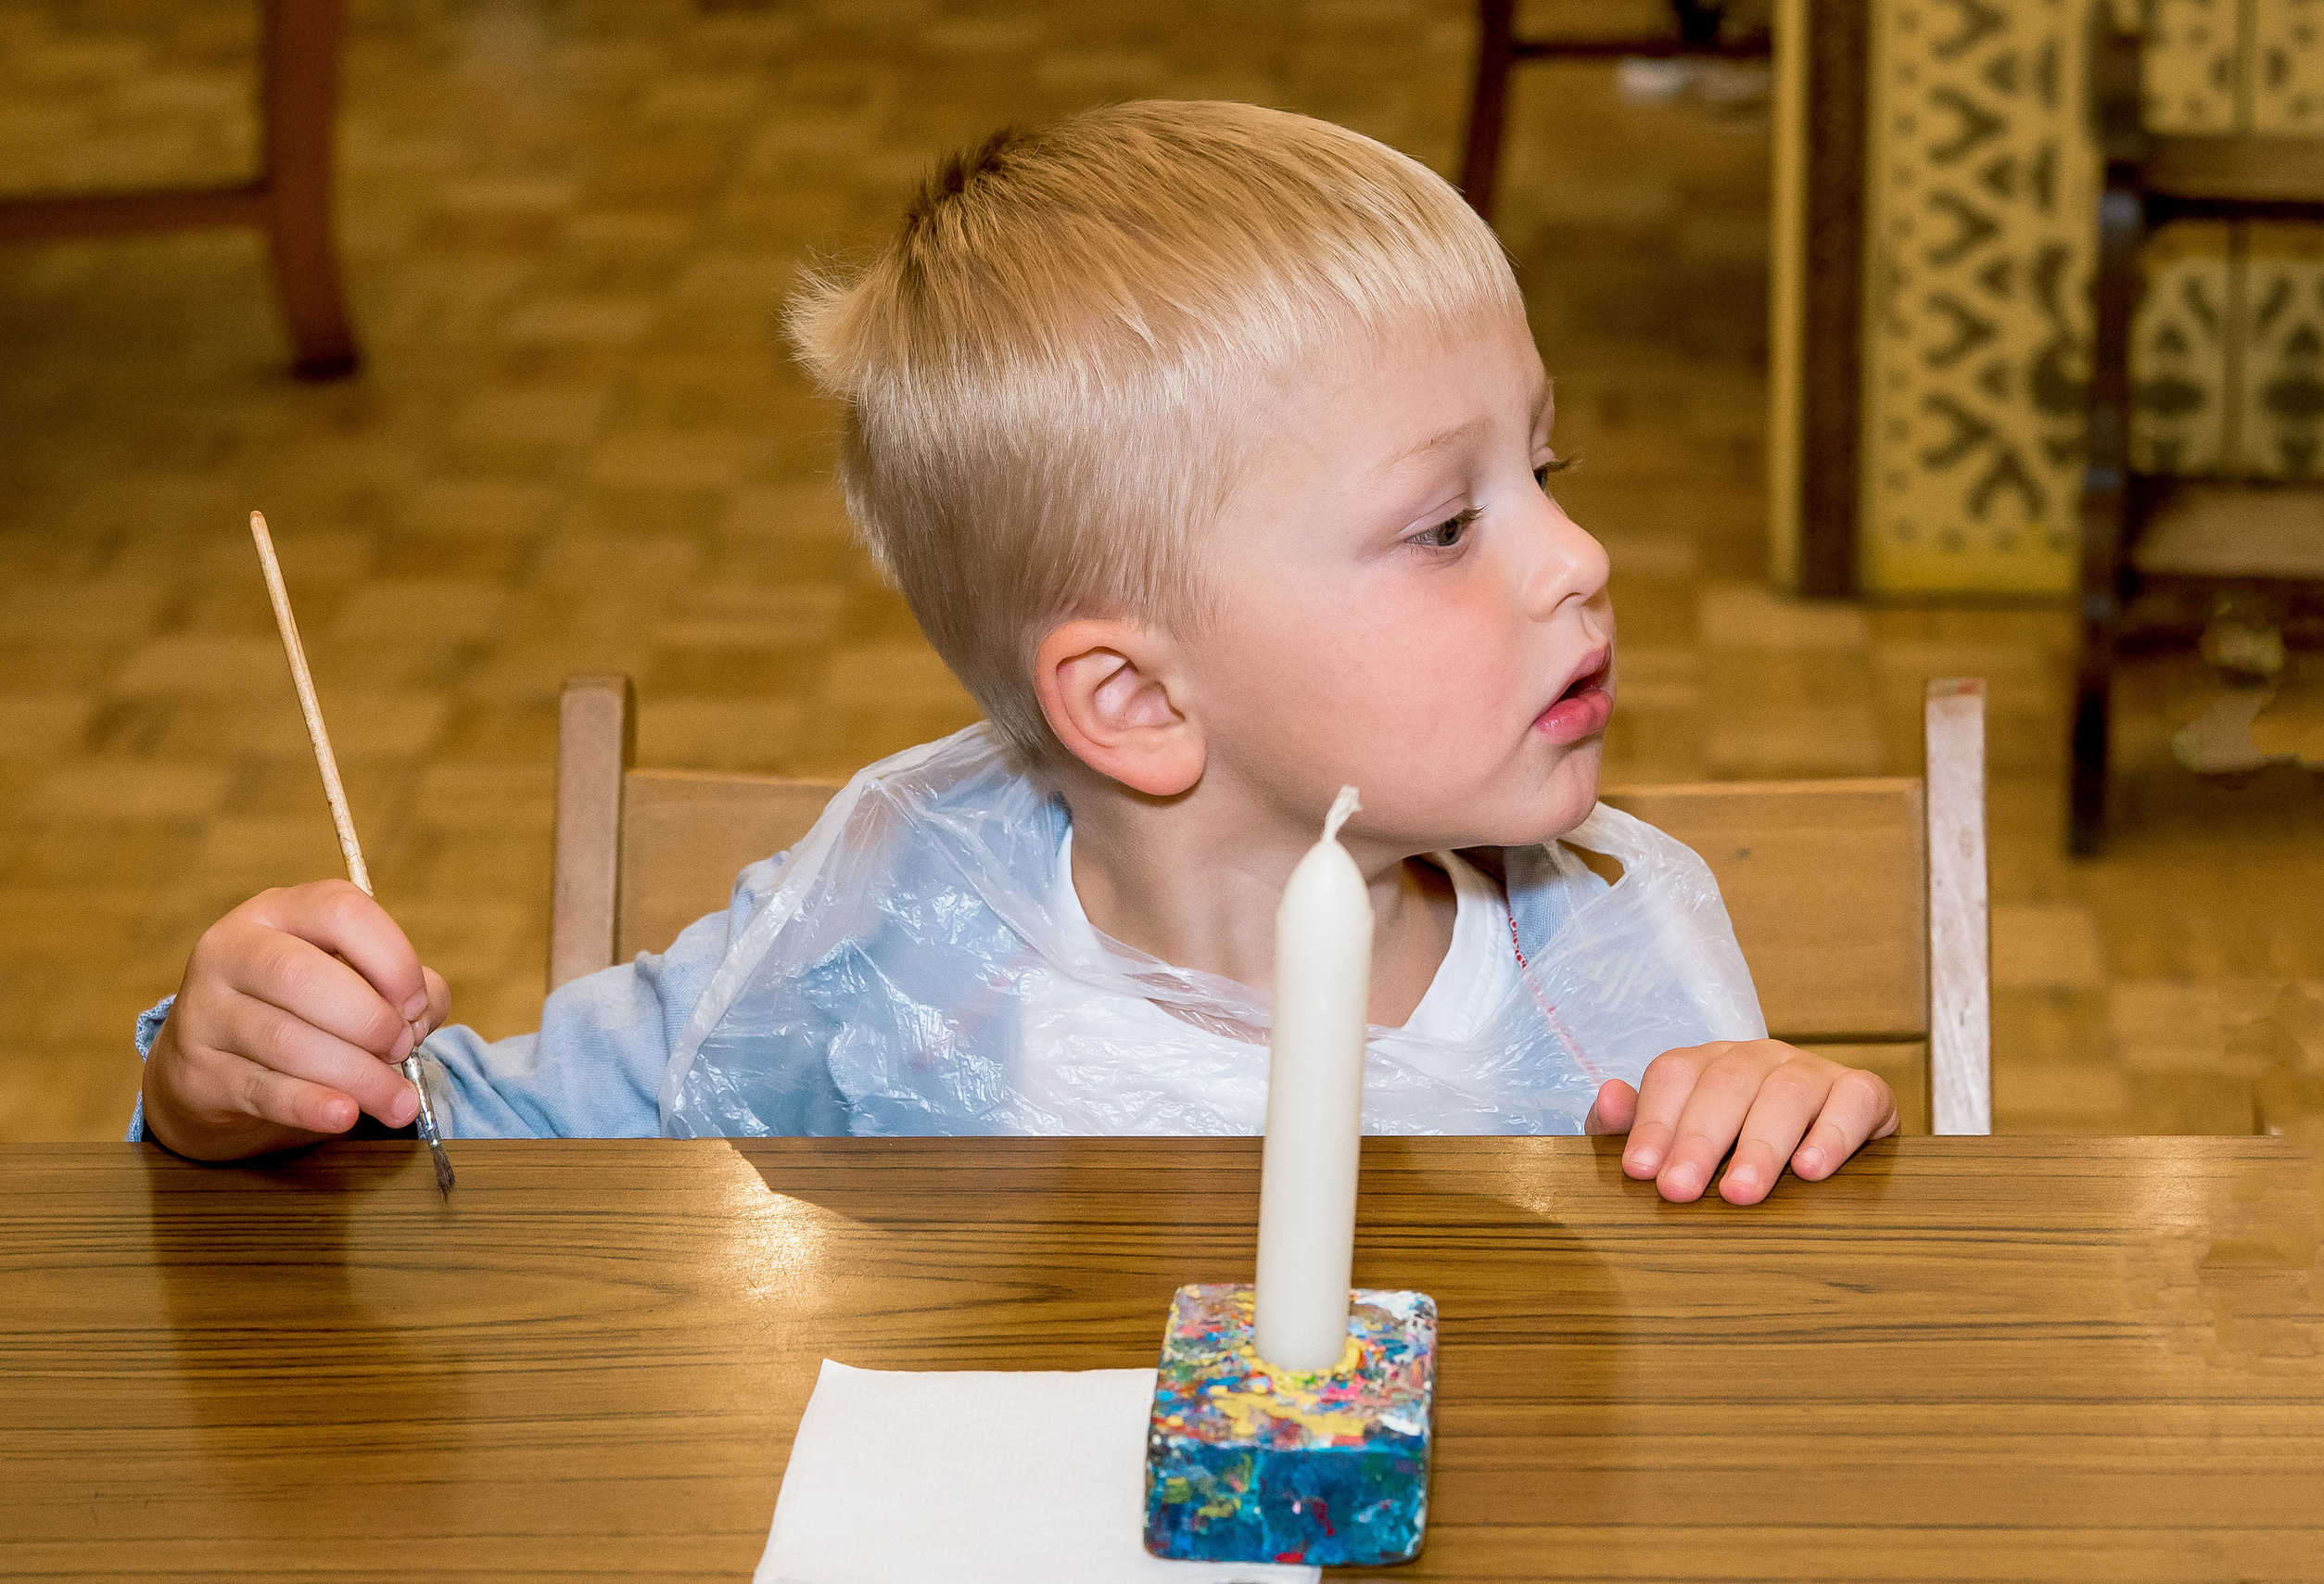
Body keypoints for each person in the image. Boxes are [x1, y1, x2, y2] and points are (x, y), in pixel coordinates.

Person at [133, 102, 1898, 1205]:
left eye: (1547, 470)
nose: (1579, 556)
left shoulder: (1608, 949)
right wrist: (240, 1080)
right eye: (1448, 524)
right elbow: (465, 1150)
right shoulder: (896, 924)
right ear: (1131, 700)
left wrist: (1774, 1117)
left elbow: (1746, 1379)